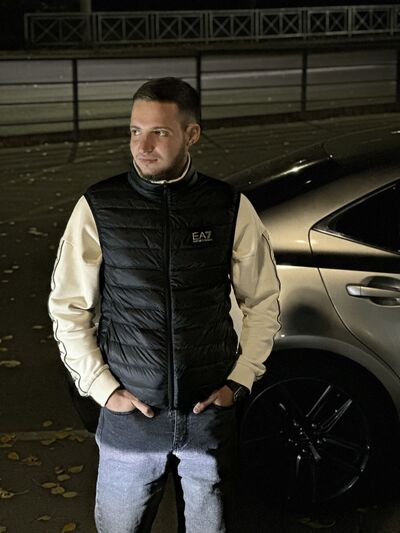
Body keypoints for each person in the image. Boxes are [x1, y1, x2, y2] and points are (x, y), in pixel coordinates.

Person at [48, 77, 281, 533]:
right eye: (135, 131)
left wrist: (238, 382)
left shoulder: (228, 206)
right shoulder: (99, 206)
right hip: (129, 421)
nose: (143, 146)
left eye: (159, 132)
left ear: (192, 134)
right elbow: (68, 308)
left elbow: (263, 300)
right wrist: (103, 389)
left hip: (207, 417)